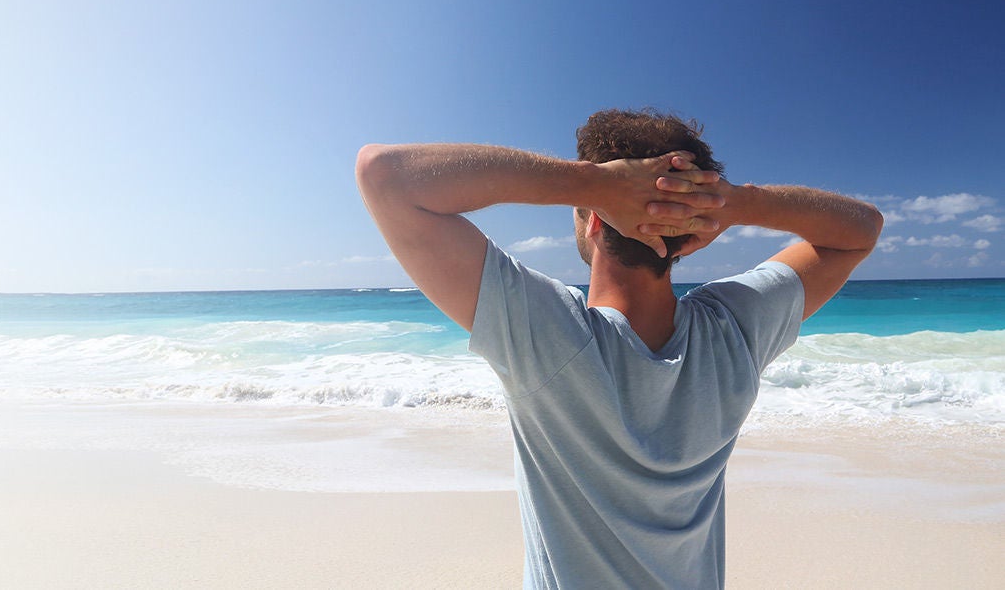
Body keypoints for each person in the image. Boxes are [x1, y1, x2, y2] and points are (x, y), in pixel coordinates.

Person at [354, 109, 883, 589]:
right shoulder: (735, 328)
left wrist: (589, 182)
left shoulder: (547, 333)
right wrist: (728, 201)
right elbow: (860, 229)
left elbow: (384, 173)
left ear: (595, 217)